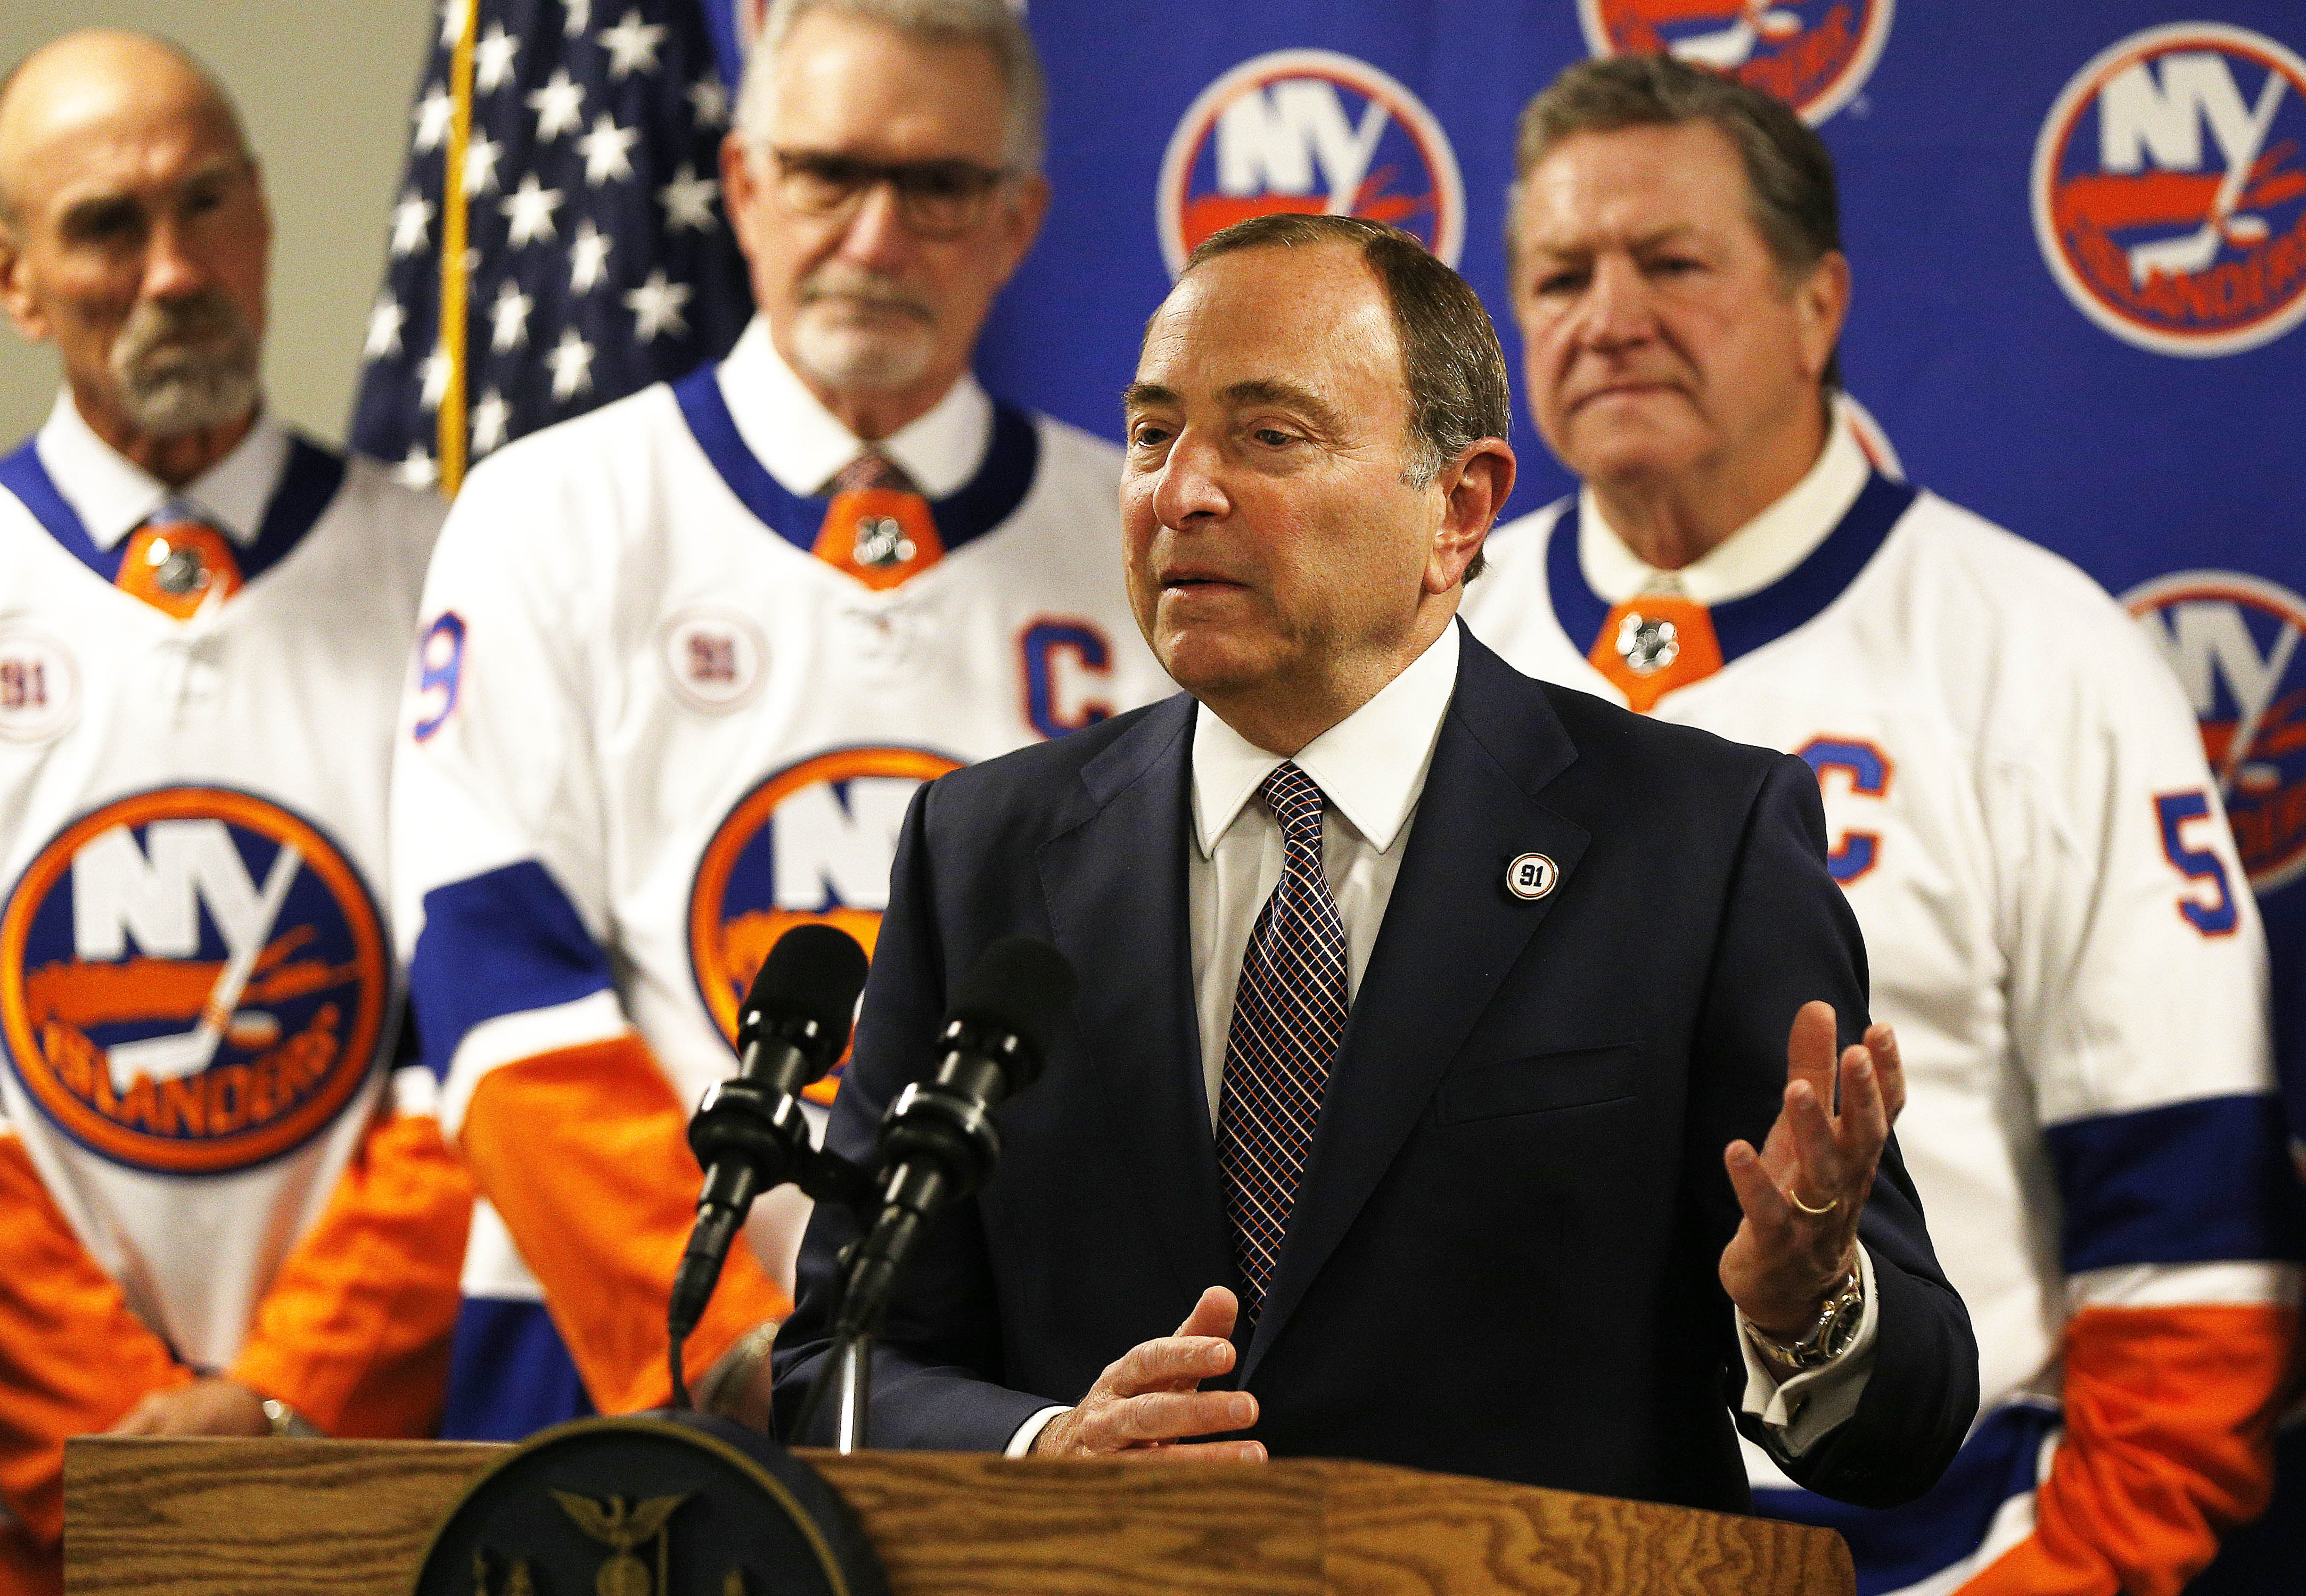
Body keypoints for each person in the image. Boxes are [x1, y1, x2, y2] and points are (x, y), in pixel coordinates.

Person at [768, 212, 1976, 1510]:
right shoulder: (983, 850)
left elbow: (1905, 1425)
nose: (1184, 490)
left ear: (1458, 507)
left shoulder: (1695, 847)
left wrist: (1813, 1309)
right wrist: (1047, 1446)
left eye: (1269, 436)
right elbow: (839, 1361)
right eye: (1152, 433)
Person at [1459, 54, 2300, 1593]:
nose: (1608, 314)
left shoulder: (2039, 654)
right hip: (1480, 1543)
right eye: (1559, 273)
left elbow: (2191, 1249)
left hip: (1925, 1548)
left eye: (1670, 261)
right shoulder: (1433, 642)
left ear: (1815, 302)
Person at [392, 0, 1170, 1441]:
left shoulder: (1143, 538)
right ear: (744, 185)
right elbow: (492, 974)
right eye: (827, 173)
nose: (875, 240)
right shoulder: (551, 512)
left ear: (1018, 219)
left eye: (936, 186)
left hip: (1019, 1401)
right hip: (615, 1367)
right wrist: (736, 1342)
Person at [0, 31, 468, 1595]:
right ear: (15, 277)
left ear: (266, 223)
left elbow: (485, 1044)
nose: (174, 267)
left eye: (207, 206)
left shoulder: (456, 569)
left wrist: (285, 1404)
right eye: (105, 227)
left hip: (381, 1495)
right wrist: (107, 1461)